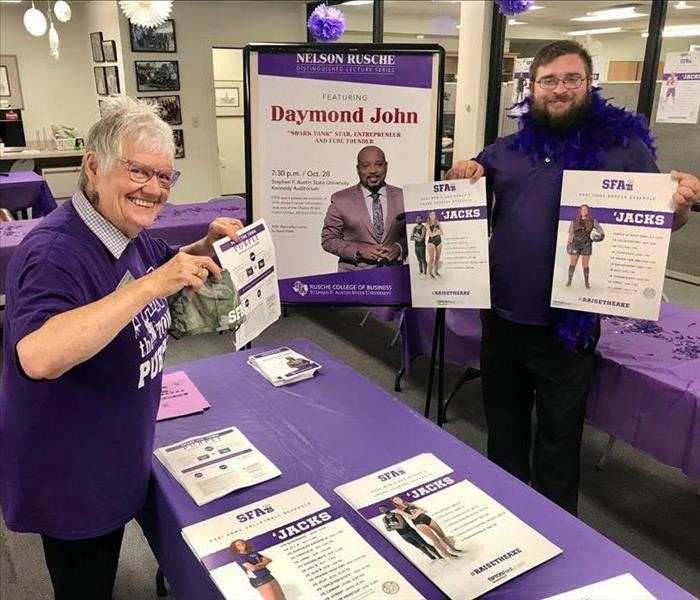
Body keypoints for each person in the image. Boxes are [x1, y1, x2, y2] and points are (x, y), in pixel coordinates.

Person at [0, 95, 244, 599]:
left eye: (164, 177)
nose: (153, 189)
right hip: (72, 473)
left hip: (115, 448)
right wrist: (152, 288)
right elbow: (38, 355)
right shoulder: (53, 252)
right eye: (138, 172)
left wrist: (205, 245)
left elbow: (160, 264)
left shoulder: (123, 229)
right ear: (93, 166)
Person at [447, 40, 698, 515]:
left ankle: (556, 532)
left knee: (559, 443)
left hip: (568, 329)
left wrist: (680, 207)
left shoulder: (623, 149)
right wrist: (462, 173)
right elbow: (465, 197)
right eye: (549, 80)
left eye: (571, 79)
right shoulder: (507, 149)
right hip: (501, 317)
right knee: (503, 431)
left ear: (588, 85)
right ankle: (504, 518)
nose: (559, 89)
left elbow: (660, 223)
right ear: (532, 87)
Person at [321, 145, 407, 271]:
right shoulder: (340, 200)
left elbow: (414, 233)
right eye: (366, 165)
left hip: (394, 277)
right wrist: (359, 250)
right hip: (355, 280)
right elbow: (329, 240)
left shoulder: (404, 197)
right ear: (358, 169)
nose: (373, 170)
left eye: (378, 164)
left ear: (386, 166)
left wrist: (399, 247)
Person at [390, 497, 461, 558]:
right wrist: (418, 511)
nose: (398, 500)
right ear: (394, 503)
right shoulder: (398, 510)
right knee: (435, 539)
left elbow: (425, 510)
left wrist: (418, 512)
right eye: (395, 500)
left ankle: (453, 549)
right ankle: (447, 554)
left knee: (442, 535)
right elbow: (412, 517)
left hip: (427, 518)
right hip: (419, 523)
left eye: (398, 498)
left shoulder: (409, 503)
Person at [379, 505, 443, 560]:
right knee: (418, 546)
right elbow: (387, 529)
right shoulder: (384, 519)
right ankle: (432, 557)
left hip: (410, 532)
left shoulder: (396, 515)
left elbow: (402, 526)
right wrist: (397, 526)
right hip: (403, 535)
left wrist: (393, 527)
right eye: (381, 510)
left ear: (387, 508)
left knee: (424, 544)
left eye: (383, 508)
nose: (382, 510)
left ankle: (439, 556)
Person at [567, 204, 604, 289]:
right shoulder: (574, 221)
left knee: (585, 264)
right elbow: (571, 234)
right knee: (573, 263)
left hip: (587, 245)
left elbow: (601, 231)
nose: (584, 211)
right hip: (575, 245)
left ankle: (586, 283)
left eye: (586, 210)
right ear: (580, 211)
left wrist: (600, 236)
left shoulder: (592, 221)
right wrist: (568, 244)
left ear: (588, 211)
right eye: (582, 209)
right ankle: (569, 281)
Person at [426, 211, 443, 278]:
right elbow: (430, 235)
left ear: (435, 215)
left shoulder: (438, 223)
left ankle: (436, 271)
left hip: (439, 241)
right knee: (431, 259)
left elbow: (442, 233)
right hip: (431, 242)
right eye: (431, 214)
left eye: (433, 214)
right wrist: (437, 232)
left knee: (437, 258)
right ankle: (430, 272)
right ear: (429, 215)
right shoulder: (427, 224)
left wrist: (437, 232)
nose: (432, 215)